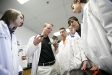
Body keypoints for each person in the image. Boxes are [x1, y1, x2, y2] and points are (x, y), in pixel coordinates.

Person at [71, 0, 112, 74]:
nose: (73, 11)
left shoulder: (94, 2)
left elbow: (110, 25)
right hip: (104, 62)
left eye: (73, 8)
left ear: (78, 1)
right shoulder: (84, 16)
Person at [0, 9, 24, 75]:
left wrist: (19, 69)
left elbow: (14, 56)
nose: (23, 21)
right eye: (21, 18)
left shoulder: (13, 36)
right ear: (11, 15)